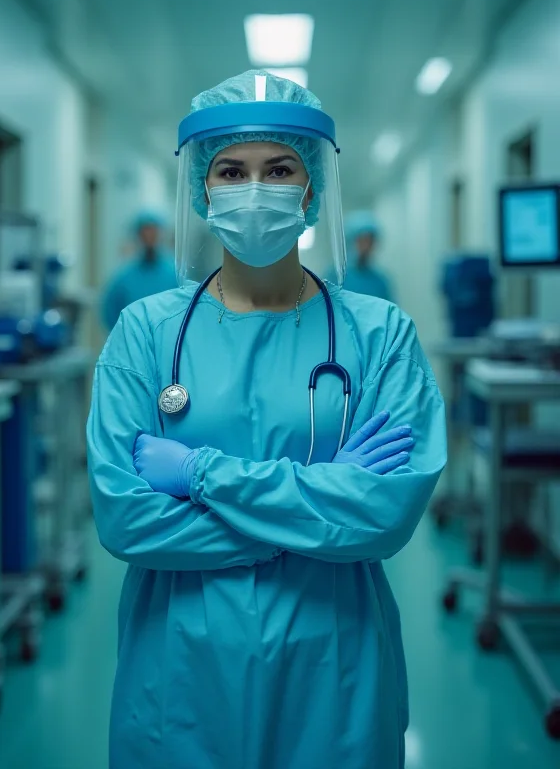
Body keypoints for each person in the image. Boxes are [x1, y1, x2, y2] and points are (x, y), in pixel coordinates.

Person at [87, 69, 447, 769]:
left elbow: (384, 517)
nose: (255, 188)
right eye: (231, 170)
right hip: (181, 669)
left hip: (335, 666)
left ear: (310, 187)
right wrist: (320, 505)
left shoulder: (380, 335)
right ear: (203, 189)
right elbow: (125, 520)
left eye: (279, 167)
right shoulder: (145, 333)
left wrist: (198, 473)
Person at [100, 212, 177, 331]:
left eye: (153, 232)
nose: (149, 237)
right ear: (138, 235)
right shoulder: (123, 277)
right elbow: (109, 312)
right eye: (145, 232)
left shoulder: (174, 274)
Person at [341, 210, 396, 301]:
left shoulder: (381, 281)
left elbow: (390, 311)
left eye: (370, 242)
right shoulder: (335, 277)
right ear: (351, 242)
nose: (366, 247)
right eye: (361, 241)